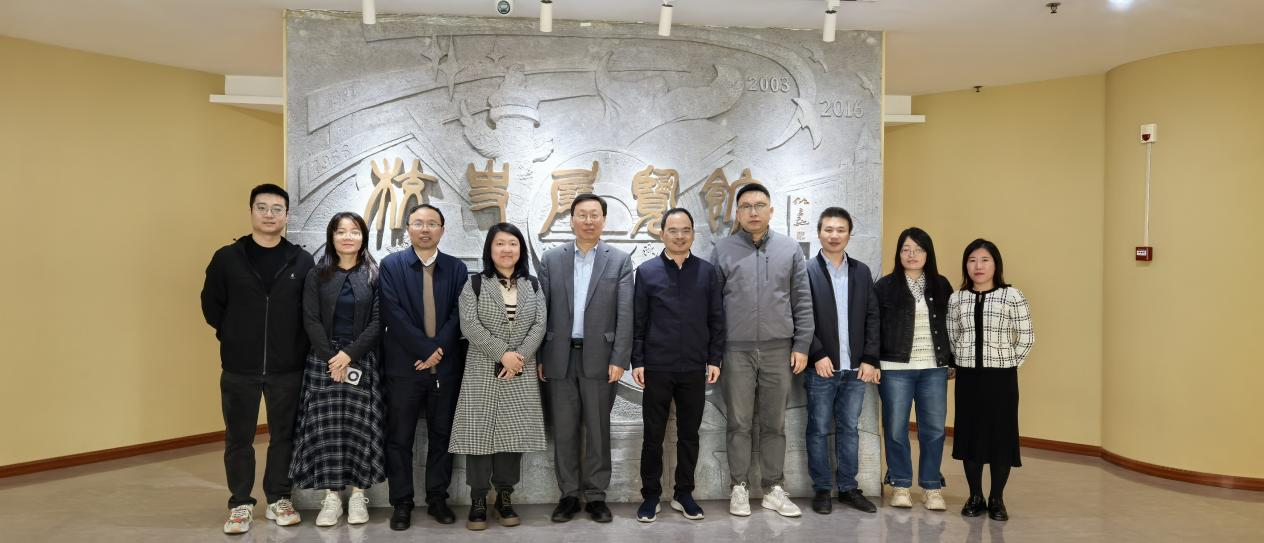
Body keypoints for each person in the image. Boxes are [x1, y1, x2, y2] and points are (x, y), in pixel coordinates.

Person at [201, 183, 314, 534]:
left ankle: (279, 498)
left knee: (284, 436)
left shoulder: (301, 260)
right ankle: (240, 504)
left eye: (277, 209)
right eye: (262, 207)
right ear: (251, 212)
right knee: (239, 438)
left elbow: (309, 312)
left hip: (287, 367)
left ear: (286, 215)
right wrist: (233, 335)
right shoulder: (227, 258)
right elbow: (211, 305)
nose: (269, 214)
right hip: (240, 367)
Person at [710, 183, 813, 518]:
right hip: (735, 351)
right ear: (737, 213)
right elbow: (713, 307)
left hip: (778, 350)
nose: (753, 212)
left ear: (771, 210)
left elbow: (802, 300)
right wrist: (714, 353)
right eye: (746, 206)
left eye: (759, 205)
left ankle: (773, 488)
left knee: (774, 423)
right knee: (738, 423)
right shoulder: (723, 249)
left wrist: (802, 344)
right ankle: (738, 487)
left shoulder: (789, 248)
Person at [537, 193, 634, 523]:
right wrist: (541, 355)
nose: (588, 221)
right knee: (564, 430)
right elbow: (541, 313)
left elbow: (626, 314)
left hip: (601, 358)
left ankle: (595, 496)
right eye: (582, 214)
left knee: (597, 429)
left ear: (603, 220)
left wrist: (620, 358)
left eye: (595, 215)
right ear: (572, 220)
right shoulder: (552, 259)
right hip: (559, 357)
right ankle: (568, 495)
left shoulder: (619, 260)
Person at [449, 223, 549, 531]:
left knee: (512, 437)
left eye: (513, 244)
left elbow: (540, 324)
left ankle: (505, 496)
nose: (507, 249)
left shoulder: (533, 285)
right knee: (478, 437)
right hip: (482, 369)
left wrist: (519, 358)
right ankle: (478, 499)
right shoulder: (475, 284)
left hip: (519, 370)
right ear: (490, 250)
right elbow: (469, 325)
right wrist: (502, 353)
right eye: (500, 244)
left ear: (521, 249)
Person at [289, 212, 385, 527]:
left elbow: (378, 321)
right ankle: (331, 498)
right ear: (332, 237)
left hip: (361, 359)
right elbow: (310, 319)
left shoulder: (374, 273)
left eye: (354, 231)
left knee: (360, 429)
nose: (347, 237)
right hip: (323, 361)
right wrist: (333, 357)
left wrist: (349, 355)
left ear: (363, 237)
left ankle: (358, 495)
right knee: (327, 430)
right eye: (341, 231)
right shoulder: (317, 274)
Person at [631, 209, 725, 523]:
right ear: (662, 233)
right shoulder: (647, 272)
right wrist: (638, 360)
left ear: (693, 234)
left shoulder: (707, 272)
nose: (680, 236)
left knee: (689, 435)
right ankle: (651, 496)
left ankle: (684, 493)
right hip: (657, 366)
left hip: (694, 367)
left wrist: (714, 358)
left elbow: (716, 319)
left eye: (686, 230)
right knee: (653, 436)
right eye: (673, 230)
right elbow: (639, 321)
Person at [379, 204, 469, 530]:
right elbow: (392, 313)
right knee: (399, 438)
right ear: (408, 229)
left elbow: (460, 314)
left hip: (445, 369)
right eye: (418, 223)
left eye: (432, 223)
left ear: (442, 230)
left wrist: (436, 351)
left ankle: (437, 499)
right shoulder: (391, 266)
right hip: (404, 369)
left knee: (442, 437)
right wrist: (424, 350)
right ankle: (401, 503)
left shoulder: (456, 268)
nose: (425, 229)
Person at [947, 239, 1035, 522]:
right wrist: (960, 359)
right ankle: (975, 496)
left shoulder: (1012, 296)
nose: (978, 266)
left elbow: (1026, 337)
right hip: (968, 377)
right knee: (969, 436)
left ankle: (997, 498)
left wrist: (1008, 363)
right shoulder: (957, 299)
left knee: (1000, 437)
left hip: (1002, 379)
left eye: (985, 260)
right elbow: (952, 335)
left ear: (996, 264)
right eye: (972, 260)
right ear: (966, 265)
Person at [803, 207, 881, 515]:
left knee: (850, 428)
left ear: (849, 234)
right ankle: (822, 489)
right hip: (821, 367)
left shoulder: (861, 271)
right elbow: (799, 317)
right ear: (819, 232)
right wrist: (817, 353)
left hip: (856, 369)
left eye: (840, 230)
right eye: (828, 229)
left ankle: (848, 488)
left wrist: (870, 358)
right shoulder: (807, 271)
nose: (834, 235)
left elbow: (872, 316)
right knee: (818, 429)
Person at [874, 227, 954, 511]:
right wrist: (873, 361)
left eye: (918, 249)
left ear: (928, 254)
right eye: (906, 249)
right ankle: (900, 484)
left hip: (933, 368)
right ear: (898, 253)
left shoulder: (941, 285)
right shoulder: (885, 286)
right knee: (896, 429)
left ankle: (931, 486)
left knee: (933, 429)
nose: (912, 254)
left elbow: (952, 325)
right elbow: (873, 326)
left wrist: (951, 360)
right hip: (895, 368)